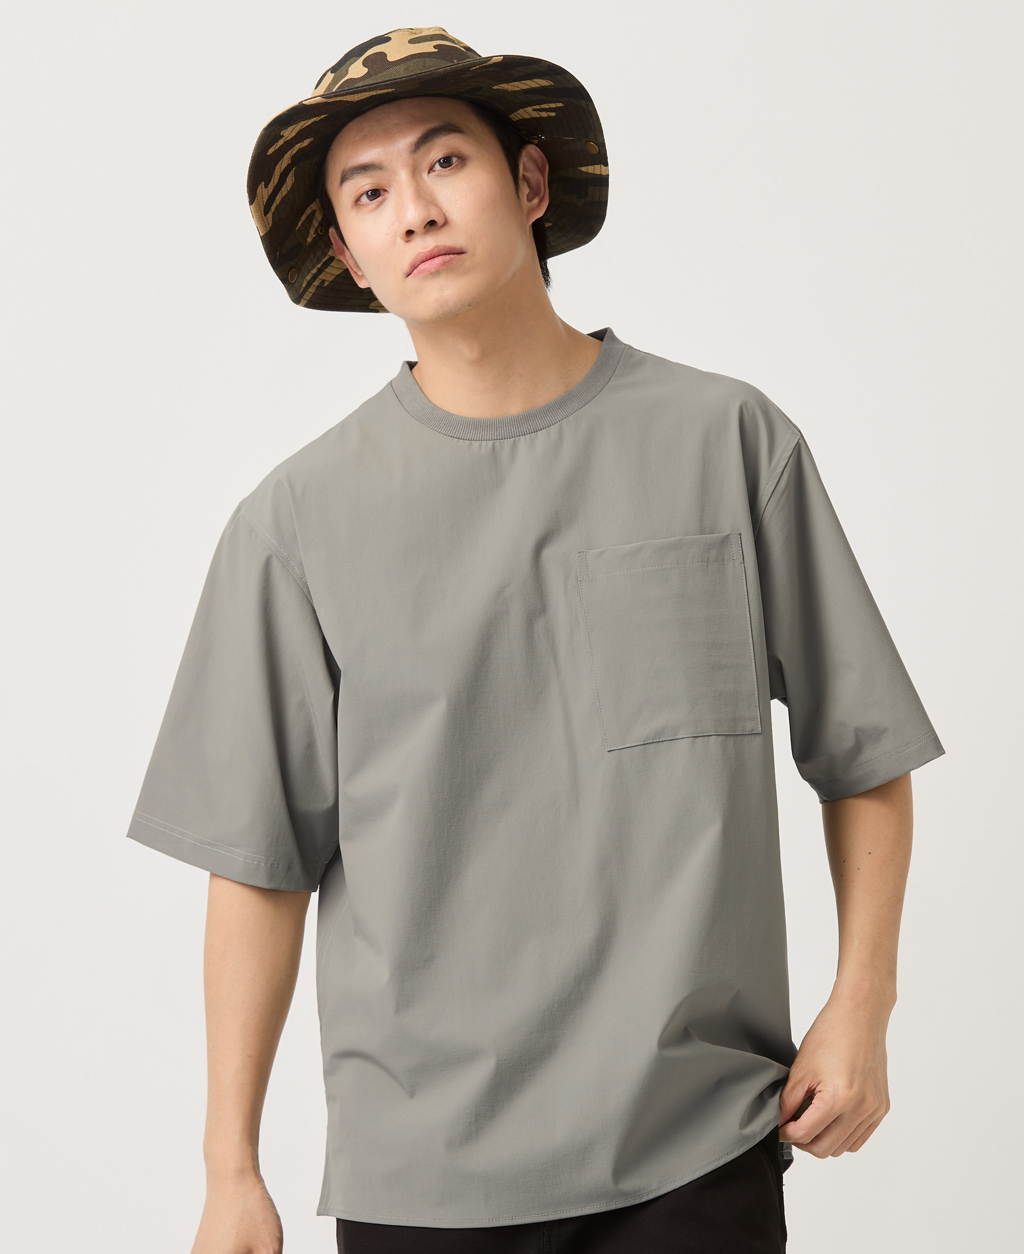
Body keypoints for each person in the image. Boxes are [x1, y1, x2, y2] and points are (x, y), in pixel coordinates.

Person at [126, 26, 946, 1254]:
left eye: (444, 160)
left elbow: (863, 748)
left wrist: (863, 1002)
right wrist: (228, 1167)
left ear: (527, 183)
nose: (414, 208)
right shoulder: (293, 525)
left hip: (695, 1149)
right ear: (347, 254)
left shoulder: (726, 443)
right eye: (367, 193)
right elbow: (256, 863)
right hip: (424, 1184)